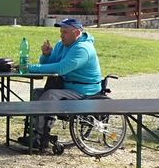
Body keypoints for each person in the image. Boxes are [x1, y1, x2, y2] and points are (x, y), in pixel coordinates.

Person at [22, 17, 104, 148]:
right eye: (61, 32)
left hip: (84, 91)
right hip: (68, 87)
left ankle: (41, 136)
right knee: (37, 93)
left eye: (65, 32)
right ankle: (35, 132)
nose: (61, 35)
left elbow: (60, 68)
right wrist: (46, 55)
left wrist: (30, 68)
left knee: (50, 95)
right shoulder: (61, 45)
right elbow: (50, 64)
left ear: (77, 33)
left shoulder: (83, 49)